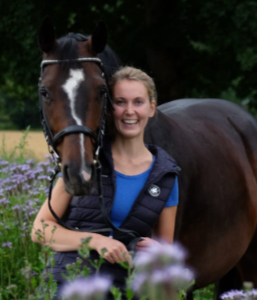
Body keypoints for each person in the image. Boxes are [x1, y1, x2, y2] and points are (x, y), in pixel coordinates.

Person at [31, 66, 179, 299]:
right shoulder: (85, 161)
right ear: (109, 109)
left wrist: (158, 252)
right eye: (120, 102)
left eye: (138, 102)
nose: (129, 111)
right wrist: (95, 241)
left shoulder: (166, 175)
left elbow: (165, 252)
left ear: (151, 108)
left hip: (126, 289)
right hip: (69, 284)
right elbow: (40, 229)